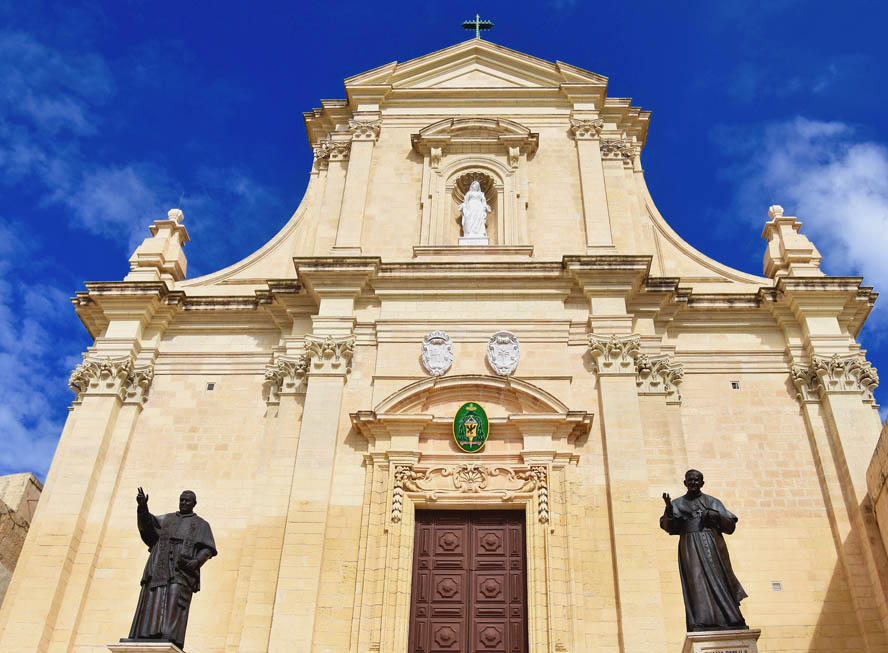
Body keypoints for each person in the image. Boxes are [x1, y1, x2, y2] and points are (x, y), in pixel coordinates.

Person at [125, 488, 217, 650]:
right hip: (160, 562)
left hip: (182, 569)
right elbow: (147, 525)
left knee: (175, 599)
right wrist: (142, 507)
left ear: (194, 504)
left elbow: (207, 549)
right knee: (153, 597)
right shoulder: (166, 519)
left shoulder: (202, 524)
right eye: (181, 500)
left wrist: (196, 561)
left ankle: (169, 635)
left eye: (187, 501)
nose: (183, 503)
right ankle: (147, 634)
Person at [660, 470, 748, 632]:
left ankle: (732, 617)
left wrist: (716, 516)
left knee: (720, 578)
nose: (693, 483)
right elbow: (669, 528)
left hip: (712, 544)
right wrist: (669, 511)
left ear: (702, 483)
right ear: (685, 483)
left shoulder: (712, 501)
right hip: (690, 547)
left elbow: (730, 526)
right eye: (690, 481)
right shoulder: (678, 503)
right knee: (696, 581)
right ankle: (702, 620)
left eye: (696, 480)